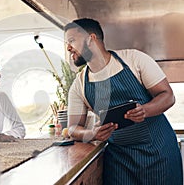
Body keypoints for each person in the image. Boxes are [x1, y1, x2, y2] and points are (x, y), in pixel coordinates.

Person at [65, 18, 183, 184]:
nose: (68, 47)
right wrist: (91, 134)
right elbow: (72, 128)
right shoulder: (79, 84)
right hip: (119, 160)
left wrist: (145, 110)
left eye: (72, 40)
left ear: (91, 38)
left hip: (159, 152)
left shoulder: (134, 59)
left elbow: (167, 96)